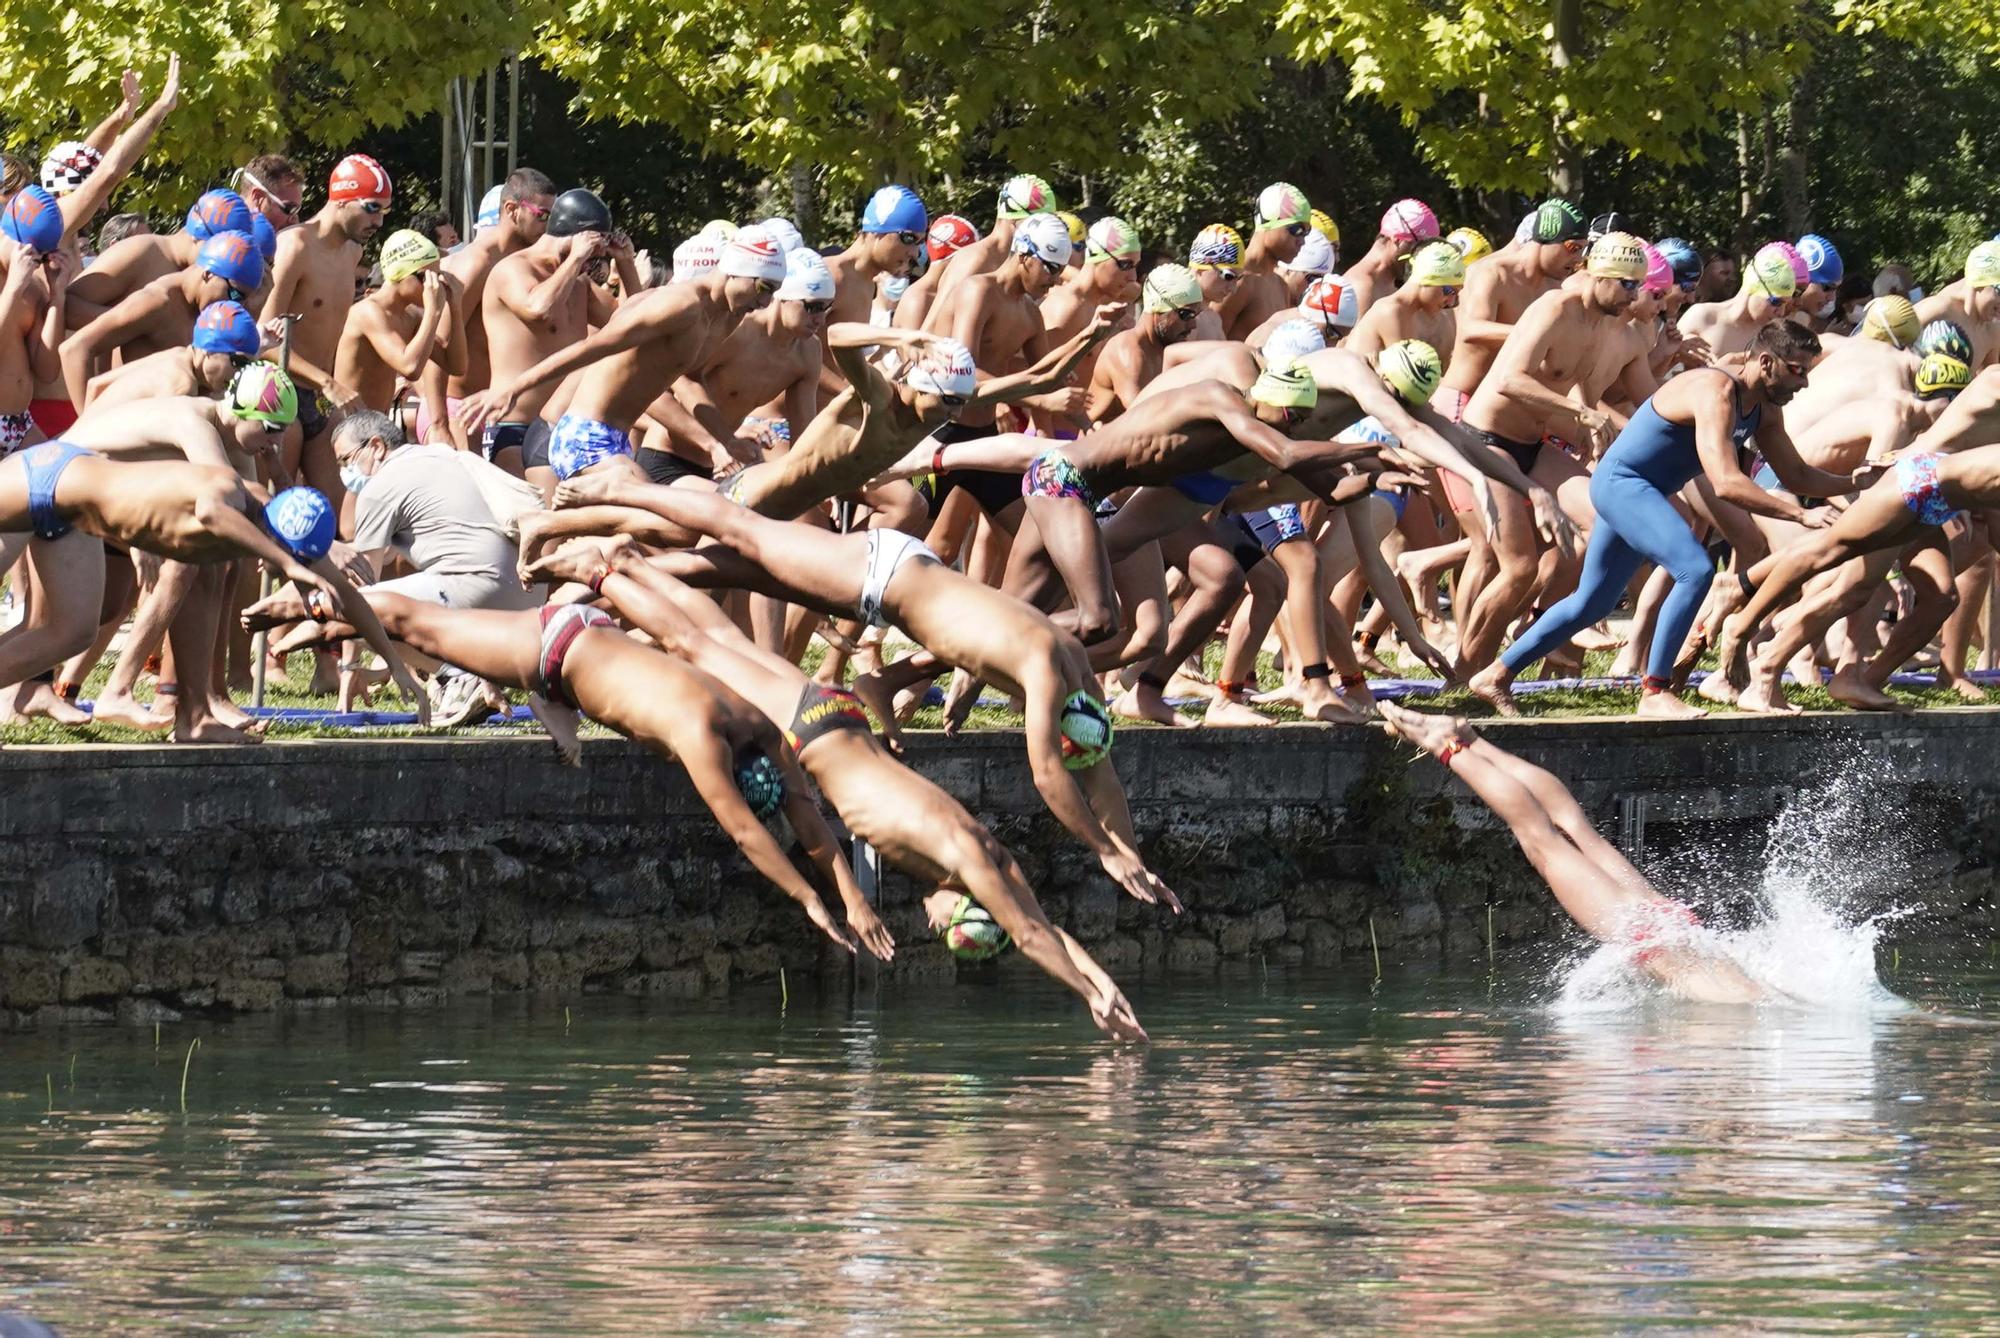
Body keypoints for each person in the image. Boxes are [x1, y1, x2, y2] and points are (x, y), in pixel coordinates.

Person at [524, 534, 1148, 1041]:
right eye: (944, 926)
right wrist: (1088, 993)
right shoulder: (963, 860)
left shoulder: (987, 854)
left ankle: (629, 563)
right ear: (963, 902)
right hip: (815, 735)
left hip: (836, 715)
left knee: (722, 641)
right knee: (693, 643)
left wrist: (1100, 980)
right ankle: (603, 572)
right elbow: (1031, 934)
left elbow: (1037, 924)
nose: (928, 925)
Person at [529, 477, 1181, 913]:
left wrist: (1131, 859)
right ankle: (615, 495)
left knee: (724, 565)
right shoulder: (1047, 668)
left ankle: (600, 568)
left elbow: (1103, 786)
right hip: (880, 572)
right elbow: (1048, 774)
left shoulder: (1073, 681)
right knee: (739, 530)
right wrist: (1100, 851)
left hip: (888, 599)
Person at [250, 586, 869, 958]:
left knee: (421, 626)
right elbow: (748, 832)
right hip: (553, 648)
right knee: (421, 626)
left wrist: (851, 899)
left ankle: (309, 622)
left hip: (586, 636)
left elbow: (804, 809)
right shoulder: (700, 740)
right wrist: (809, 899)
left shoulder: (757, 724)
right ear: (735, 774)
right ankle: (306, 603)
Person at [1468, 321, 1849, 718]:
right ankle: (1655, 692)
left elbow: (1798, 475)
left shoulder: (1764, 409)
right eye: (1797, 370)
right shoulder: (1714, 392)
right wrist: (1800, 514)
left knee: (1591, 604)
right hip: (1622, 485)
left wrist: (1857, 480)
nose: (1804, 383)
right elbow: (1725, 482)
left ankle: (1495, 675)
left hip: (1640, 492)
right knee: (1695, 570)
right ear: (1767, 362)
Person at [1379, 703, 1765, 1003]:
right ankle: (1445, 744)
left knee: (1576, 829)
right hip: (1649, 935)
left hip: (1672, 925)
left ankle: (1472, 740)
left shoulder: (1760, 1001)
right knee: (1540, 838)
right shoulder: (1751, 1010)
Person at [1709, 364, 2000, 690]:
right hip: (1908, 481)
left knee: (1938, 596)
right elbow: (1866, 485)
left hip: (1934, 495)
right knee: (1844, 576)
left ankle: (1862, 680)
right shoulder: (1913, 409)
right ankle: (1752, 635)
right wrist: (1892, 572)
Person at [459, 221, 775, 484]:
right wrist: (514, 387)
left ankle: (558, 530)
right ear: (735, 270)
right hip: (583, 434)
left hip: (617, 440)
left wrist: (726, 440)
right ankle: (546, 524)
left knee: (631, 543)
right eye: (763, 288)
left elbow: (690, 382)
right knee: (664, 522)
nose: (766, 304)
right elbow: (593, 347)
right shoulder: (680, 305)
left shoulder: (726, 317)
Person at [260, 153, 394, 499]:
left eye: (383, 210)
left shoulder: (351, 253)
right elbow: (263, 337)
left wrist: (326, 384)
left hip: (319, 397)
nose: (378, 221)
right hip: (279, 390)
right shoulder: (295, 247)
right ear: (342, 200)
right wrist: (328, 381)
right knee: (278, 510)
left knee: (342, 514)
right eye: (371, 208)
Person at [458, 186, 616, 474]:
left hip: (564, 426)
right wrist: (576, 259)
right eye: (596, 242)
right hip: (513, 426)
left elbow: (630, 324)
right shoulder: (514, 270)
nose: (601, 253)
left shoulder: (580, 285)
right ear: (575, 236)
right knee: (523, 517)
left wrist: (627, 265)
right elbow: (538, 308)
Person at [642, 246, 830, 487]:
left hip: (715, 466)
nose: (821, 319)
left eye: (827, 307)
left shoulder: (807, 353)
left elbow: (804, 443)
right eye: (813, 306)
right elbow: (654, 396)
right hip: (665, 460)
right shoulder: (737, 333)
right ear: (782, 297)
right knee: (738, 515)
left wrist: (823, 483)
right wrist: (716, 442)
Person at [58, 229, 262, 409]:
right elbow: (74, 350)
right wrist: (87, 427)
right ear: (208, 274)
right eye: (236, 295)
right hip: (135, 431)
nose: (238, 305)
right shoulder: (158, 301)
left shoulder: (210, 311)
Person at [438, 167, 555, 449]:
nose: (549, 225)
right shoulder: (478, 262)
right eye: (543, 215)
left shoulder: (526, 261)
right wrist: (439, 423)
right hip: (463, 412)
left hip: (500, 410)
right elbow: (439, 346)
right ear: (512, 209)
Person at [333, 228, 466, 429]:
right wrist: (433, 312)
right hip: (350, 428)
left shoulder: (410, 315)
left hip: (379, 425)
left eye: (437, 276)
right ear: (401, 275)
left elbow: (455, 365)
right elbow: (410, 368)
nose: (433, 286)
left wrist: (455, 308)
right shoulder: (368, 311)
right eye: (425, 278)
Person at [819, 185, 925, 391]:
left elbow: (841, 362)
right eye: (909, 238)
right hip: (779, 419)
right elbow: (788, 351)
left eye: (919, 243)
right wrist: (854, 395)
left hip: (820, 415)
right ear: (878, 231)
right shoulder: (831, 275)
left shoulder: (867, 284)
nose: (914, 252)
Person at [1219, 182, 1312, 338]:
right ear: (1267, 223)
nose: (1302, 241)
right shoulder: (1236, 281)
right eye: (1296, 229)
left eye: (1306, 232)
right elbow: (1207, 346)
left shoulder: (1281, 286)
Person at [1680, 245, 1797, 358]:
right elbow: (1666, 367)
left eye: (1786, 304)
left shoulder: (1771, 335)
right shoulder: (1702, 316)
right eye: (1776, 302)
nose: (1781, 312)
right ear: (1752, 288)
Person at [1342, 198, 1442, 317]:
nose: (1421, 256)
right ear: (1397, 238)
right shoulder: (1361, 288)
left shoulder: (1389, 285)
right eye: (1420, 247)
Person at [1914, 240, 2000, 370]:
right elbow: (1880, 348)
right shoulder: (1937, 311)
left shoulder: (1992, 331)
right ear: (1979, 282)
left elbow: (1989, 382)